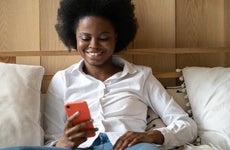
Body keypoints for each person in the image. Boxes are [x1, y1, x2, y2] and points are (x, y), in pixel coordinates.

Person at [0, 0, 197, 150]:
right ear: (73, 38)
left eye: (103, 38)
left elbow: (187, 126)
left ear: (117, 38)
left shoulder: (141, 76)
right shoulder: (62, 79)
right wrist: (64, 142)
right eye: (85, 38)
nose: (93, 45)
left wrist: (151, 136)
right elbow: (52, 140)